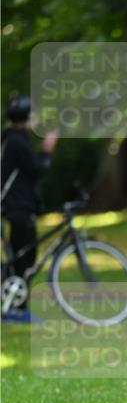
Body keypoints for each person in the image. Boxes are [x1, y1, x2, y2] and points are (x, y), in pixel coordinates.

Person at [1, 95, 59, 322]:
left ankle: (14, 306)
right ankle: (16, 309)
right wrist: (47, 149)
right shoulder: (17, 141)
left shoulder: (12, 138)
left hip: (16, 205)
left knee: (21, 257)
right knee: (24, 259)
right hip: (18, 207)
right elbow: (36, 169)